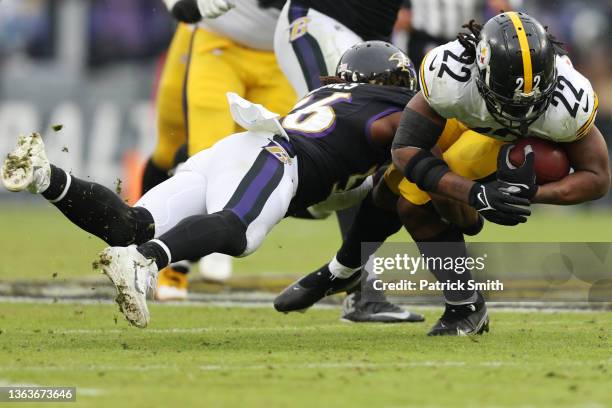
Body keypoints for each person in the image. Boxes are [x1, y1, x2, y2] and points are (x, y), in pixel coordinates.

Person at [2, 41, 424, 329]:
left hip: (236, 149)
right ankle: (143, 261)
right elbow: (406, 140)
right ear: (393, 83)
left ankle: (46, 176)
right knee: (237, 230)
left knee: (132, 225)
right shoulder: (392, 106)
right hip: (277, 157)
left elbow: (337, 187)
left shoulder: (327, 98)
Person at [276, 12, 610, 336]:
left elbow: (597, 177)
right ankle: (345, 270)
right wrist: (475, 196)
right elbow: (405, 149)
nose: (519, 108)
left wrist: (527, 195)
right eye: (510, 98)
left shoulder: (568, 101)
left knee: (413, 203)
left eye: (531, 100)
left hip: (506, 141)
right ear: (480, 68)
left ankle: (462, 306)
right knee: (392, 182)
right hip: (466, 114)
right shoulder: (451, 77)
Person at [144, 0, 296, 299]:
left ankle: (220, 231)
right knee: (194, 151)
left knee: (275, 156)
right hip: (216, 36)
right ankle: (168, 261)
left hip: (283, 51)